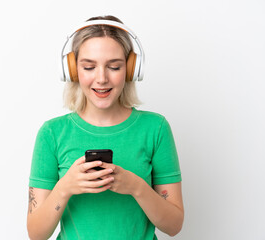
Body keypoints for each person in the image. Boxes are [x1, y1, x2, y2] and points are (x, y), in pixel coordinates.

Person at [27, 15, 184, 240]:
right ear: (72, 71)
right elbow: (36, 234)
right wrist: (66, 187)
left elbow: (174, 226)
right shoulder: (52, 134)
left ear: (131, 69)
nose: (101, 78)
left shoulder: (156, 128)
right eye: (89, 67)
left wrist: (136, 187)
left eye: (114, 66)